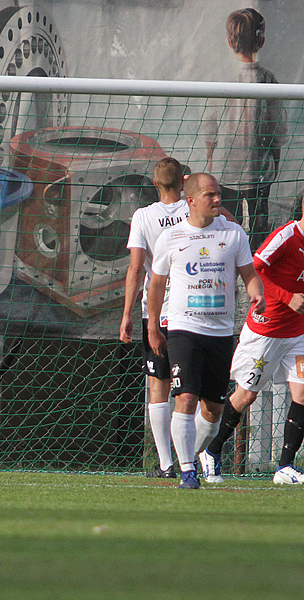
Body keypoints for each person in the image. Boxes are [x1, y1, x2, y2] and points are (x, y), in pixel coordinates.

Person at [147, 173, 264, 489]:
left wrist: (257, 293)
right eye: (210, 194)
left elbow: (249, 274)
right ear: (191, 200)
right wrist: (153, 325)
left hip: (222, 333)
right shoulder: (171, 237)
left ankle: (196, 453)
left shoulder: (234, 233)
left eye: (218, 194)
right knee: (185, 397)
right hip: (184, 329)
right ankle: (186, 470)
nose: (217, 199)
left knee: (213, 409)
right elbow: (156, 285)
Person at [200, 194, 304, 485]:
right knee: (247, 395)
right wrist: (286, 297)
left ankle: (285, 467)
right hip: (265, 332)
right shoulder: (286, 236)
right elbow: (256, 267)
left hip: (298, 335)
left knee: (302, 394)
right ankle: (211, 449)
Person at [120, 158, 188, 478]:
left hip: (158, 312)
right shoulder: (195, 210)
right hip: (192, 311)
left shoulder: (143, 216)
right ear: (183, 181)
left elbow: (136, 268)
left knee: (158, 385)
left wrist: (127, 315)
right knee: (191, 389)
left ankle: (166, 465)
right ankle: (194, 460)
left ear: (154, 183)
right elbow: (230, 223)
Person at [202, 7, 286, 250]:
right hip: (260, 168)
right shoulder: (268, 79)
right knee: (260, 224)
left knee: (229, 223)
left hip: (227, 168)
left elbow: (210, 126)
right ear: (262, 40)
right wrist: (275, 162)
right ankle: (257, 268)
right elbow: (276, 129)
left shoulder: (221, 78)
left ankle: (232, 267)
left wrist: (211, 160)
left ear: (229, 41)